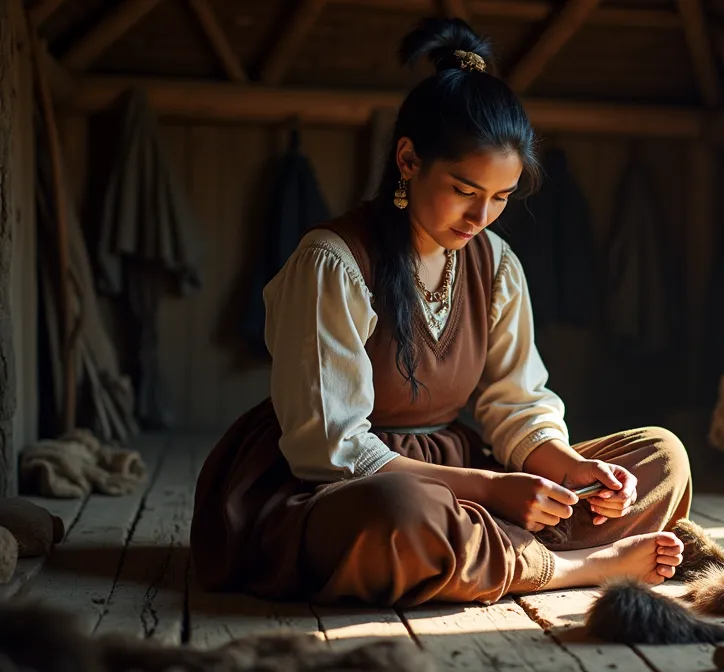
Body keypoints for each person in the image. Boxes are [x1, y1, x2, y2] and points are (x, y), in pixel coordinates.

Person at [190, 18, 691, 608]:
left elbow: (515, 402)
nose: (480, 217)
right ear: (408, 159)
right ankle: (564, 566)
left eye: (500, 198)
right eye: (464, 190)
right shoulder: (333, 262)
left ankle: (485, 555)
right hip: (339, 487)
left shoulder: (496, 264)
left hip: (458, 476)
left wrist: (570, 468)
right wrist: (492, 491)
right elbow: (331, 451)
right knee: (400, 514)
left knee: (662, 456)